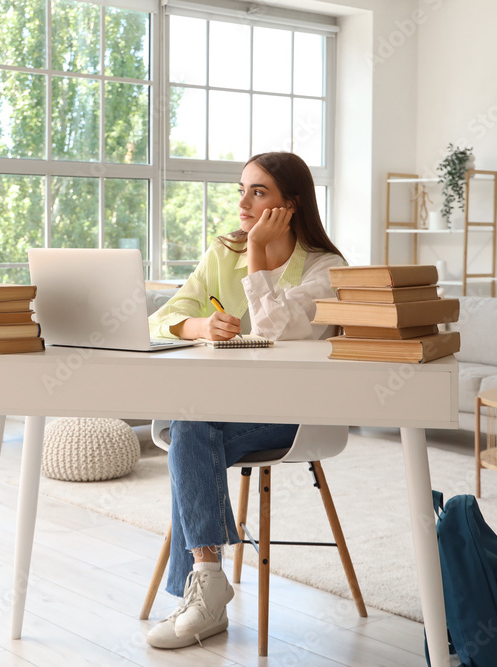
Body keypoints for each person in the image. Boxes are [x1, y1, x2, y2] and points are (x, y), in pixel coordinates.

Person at [145, 151, 347, 649]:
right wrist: (199, 326)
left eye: (258, 192)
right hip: (220, 408)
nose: (243, 202)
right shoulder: (221, 255)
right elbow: (160, 318)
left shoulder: (327, 268)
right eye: (242, 189)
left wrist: (257, 251)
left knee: (191, 432)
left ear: (290, 205)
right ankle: (209, 582)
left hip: (294, 416)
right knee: (192, 425)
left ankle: (201, 599)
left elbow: (272, 328)